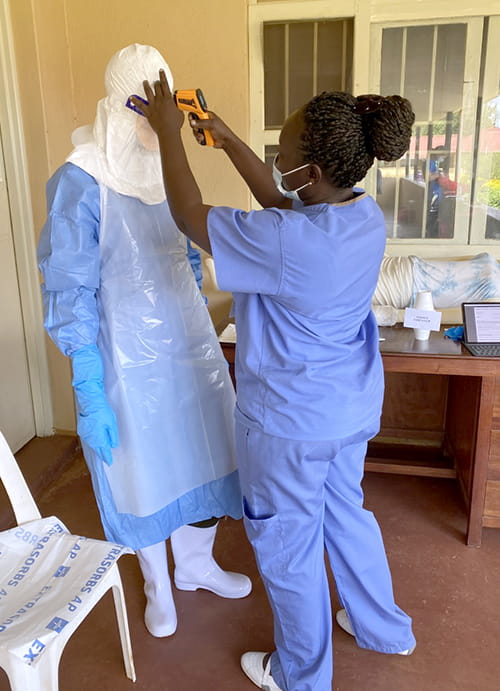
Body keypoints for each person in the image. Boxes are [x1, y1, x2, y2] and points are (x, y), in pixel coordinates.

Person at [132, 75, 416, 690]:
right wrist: (228, 140)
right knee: (347, 515)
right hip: (348, 410)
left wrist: (169, 134)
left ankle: (300, 676)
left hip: (290, 425)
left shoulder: (286, 244)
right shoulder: (360, 215)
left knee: (288, 548)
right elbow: (286, 208)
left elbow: (188, 215)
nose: (275, 161)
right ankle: (383, 627)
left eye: (282, 155)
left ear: (310, 172)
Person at [37, 44, 251, 640]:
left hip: (188, 348)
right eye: (145, 108)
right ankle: (159, 583)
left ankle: (197, 565)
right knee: (145, 470)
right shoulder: (81, 178)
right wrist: (87, 382)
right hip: (124, 360)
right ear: (119, 102)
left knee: (210, 453)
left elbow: (184, 253)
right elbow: (68, 285)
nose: (156, 124)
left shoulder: (164, 167)